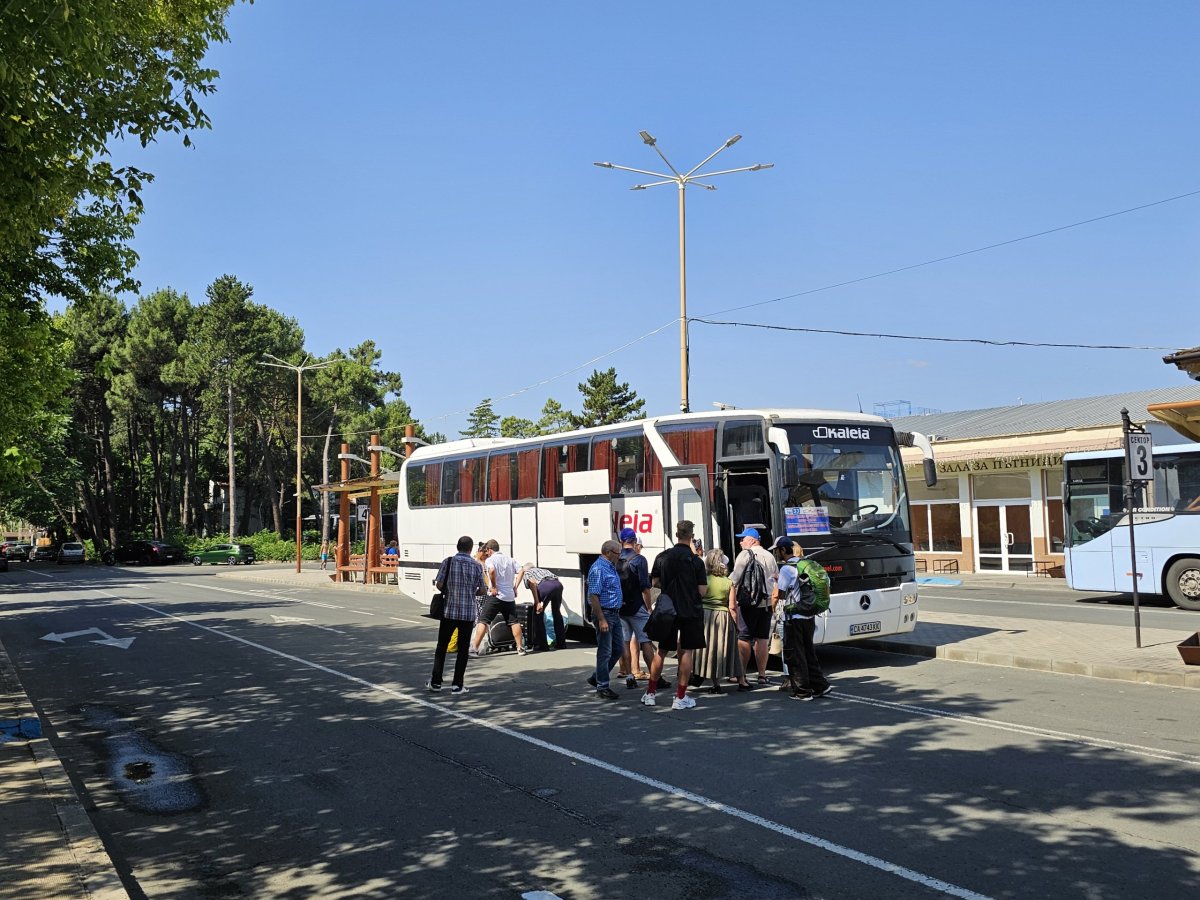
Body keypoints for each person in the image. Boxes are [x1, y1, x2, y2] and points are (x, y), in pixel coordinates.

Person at [642, 519, 708, 710]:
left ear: (677, 534)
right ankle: (680, 697)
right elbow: (702, 591)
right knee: (687, 650)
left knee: (662, 650)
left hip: (668, 608)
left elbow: (654, 582)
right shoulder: (696, 561)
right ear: (691, 536)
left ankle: (651, 693)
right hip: (690, 609)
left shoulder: (663, 557)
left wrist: (670, 586)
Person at [772, 537, 832, 701]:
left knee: (795, 654)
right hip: (809, 615)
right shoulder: (807, 564)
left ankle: (802, 691)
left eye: (777, 550)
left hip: (794, 616)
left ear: (783, 550)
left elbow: (781, 594)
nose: (777, 553)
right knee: (808, 652)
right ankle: (820, 686)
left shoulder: (787, 568)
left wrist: (777, 583)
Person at [426, 535, 486, 694]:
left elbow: (439, 583)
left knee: (442, 647)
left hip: (449, 612)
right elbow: (482, 589)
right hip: (467, 613)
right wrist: (470, 592)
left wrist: (449, 591)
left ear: (457, 547)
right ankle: (457, 685)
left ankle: (436, 682)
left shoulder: (448, 561)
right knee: (463, 649)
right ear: (471, 548)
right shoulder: (477, 566)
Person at [729, 526, 779, 687]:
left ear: (752, 540)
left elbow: (734, 579)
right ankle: (762, 675)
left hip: (748, 603)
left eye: (743, 539)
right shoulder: (770, 556)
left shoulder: (745, 554)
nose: (740, 542)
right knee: (762, 638)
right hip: (766, 603)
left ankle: (742, 674)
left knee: (744, 637)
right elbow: (776, 580)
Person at [615, 527, 663, 691]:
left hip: (620, 607)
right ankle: (655, 678)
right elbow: (645, 588)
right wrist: (648, 608)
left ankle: (629, 675)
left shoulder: (615, 558)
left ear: (621, 541)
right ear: (634, 541)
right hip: (636, 607)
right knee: (646, 642)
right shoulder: (639, 560)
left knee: (625, 642)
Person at [692, 548, 742, 693]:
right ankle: (724, 682)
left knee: (707, 649)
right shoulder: (728, 582)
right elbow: (732, 606)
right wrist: (736, 625)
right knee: (720, 648)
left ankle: (709, 679)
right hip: (723, 617)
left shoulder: (703, 580)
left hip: (705, 615)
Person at [470, 539, 525, 656]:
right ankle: (520, 648)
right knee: (514, 622)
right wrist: (515, 587)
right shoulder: (510, 559)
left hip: (495, 596)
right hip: (509, 596)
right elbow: (521, 570)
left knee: (483, 621)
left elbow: (492, 570)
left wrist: (494, 586)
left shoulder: (491, 559)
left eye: (487, 551)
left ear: (490, 550)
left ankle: (474, 648)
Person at [586, 539, 625, 700]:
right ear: (608, 552)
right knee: (605, 651)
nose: (619, 556)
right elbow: (594, 596)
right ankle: (602, 686)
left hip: (614, 613)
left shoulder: (610, 566)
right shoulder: (598, 569)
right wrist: (601, 619)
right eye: (617, 553)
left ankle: (598, 677)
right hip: (605, 614)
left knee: (618, 649)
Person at [514, 562, 564, 651]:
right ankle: (561, 643)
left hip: (545, 586)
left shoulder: (528, 573)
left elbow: (532, 583)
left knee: (538, 614)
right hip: (558, 585)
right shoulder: (543, 570)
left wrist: (537, 602)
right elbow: (555, 579)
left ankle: (543, 645)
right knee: (556, 613)